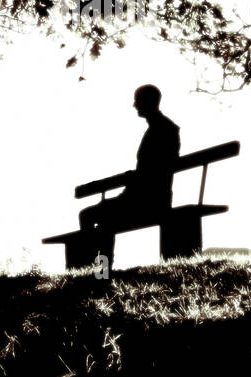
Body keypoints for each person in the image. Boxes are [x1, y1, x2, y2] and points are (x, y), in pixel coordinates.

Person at [78, 85, 181, 269]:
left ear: (149, 102)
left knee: (90, 215)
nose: (134, 104)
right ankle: (101, 272)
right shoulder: (162, 128)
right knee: (101, 217)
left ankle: (101, 273)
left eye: (137, 100)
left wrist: (131, 179)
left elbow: (155, 172)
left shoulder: (164, 130)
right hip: (144, 197)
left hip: (147, 200)